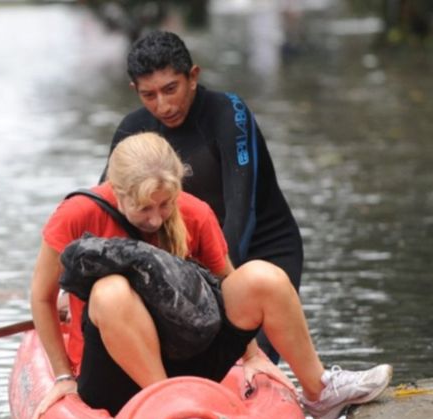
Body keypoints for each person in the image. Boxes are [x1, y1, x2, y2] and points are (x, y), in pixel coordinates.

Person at [30, 132, 390, 419]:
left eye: (165, 204)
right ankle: (168, 401)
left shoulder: (195, 213)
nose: (156, 219)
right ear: (117, 191)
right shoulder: (77, 213)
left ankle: (320, 390)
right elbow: (42, 297)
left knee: (263, 277)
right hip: (111, 372)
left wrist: (253, 356)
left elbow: (229, 287)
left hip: (189, 356)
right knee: (111, 291)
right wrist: (63, 376)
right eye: (144, 208)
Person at [103, 30, 303, 362]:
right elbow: (105, 209)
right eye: (149, 95)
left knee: (252, 357)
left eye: (171, 89)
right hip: (189, 260)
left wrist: (215, 289)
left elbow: (242, 210)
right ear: (134, 90)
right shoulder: (132, 129)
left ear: (193, 76)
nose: (163, 106)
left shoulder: (228, 114)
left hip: (262, 250)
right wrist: (76, 286)